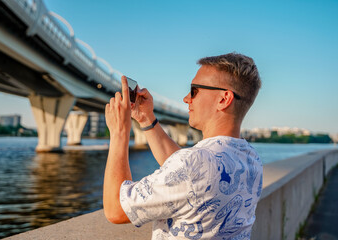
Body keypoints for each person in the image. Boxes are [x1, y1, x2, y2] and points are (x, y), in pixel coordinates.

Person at [103, 52, 263, 239]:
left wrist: (119, 132)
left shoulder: (193, 165)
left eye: (194, 90)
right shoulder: (251, 158)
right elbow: (185, 175)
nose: (186, 98)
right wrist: (146, 119)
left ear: (223, 99)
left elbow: (116, 210)